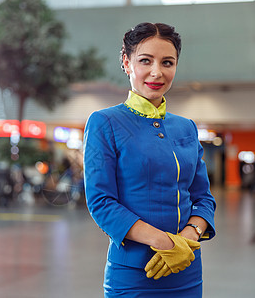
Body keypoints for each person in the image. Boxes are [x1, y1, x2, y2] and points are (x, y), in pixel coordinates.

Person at [83, 22, 216, 297]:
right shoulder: (104, 122)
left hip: (186, 269)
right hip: (134, 274)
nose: (157, 72)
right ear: (127, 62)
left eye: (167, 62)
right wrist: (165, 243)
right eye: (146, 60)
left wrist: (189, 237)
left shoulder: (187, 127)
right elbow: (101, 202)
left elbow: (203, 197)